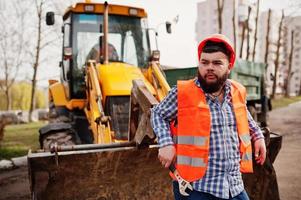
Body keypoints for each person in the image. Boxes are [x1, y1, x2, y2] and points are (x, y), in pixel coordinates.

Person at [151, 34, 266, 200]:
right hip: (197, 189)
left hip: (234, 186)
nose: (209, 67)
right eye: (204, 62)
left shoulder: (236, 92)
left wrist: (258, 136)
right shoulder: (182, 93)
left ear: (229, 66)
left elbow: (245, 118)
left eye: (217, 63)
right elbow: (157, 113)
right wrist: (166, 143)